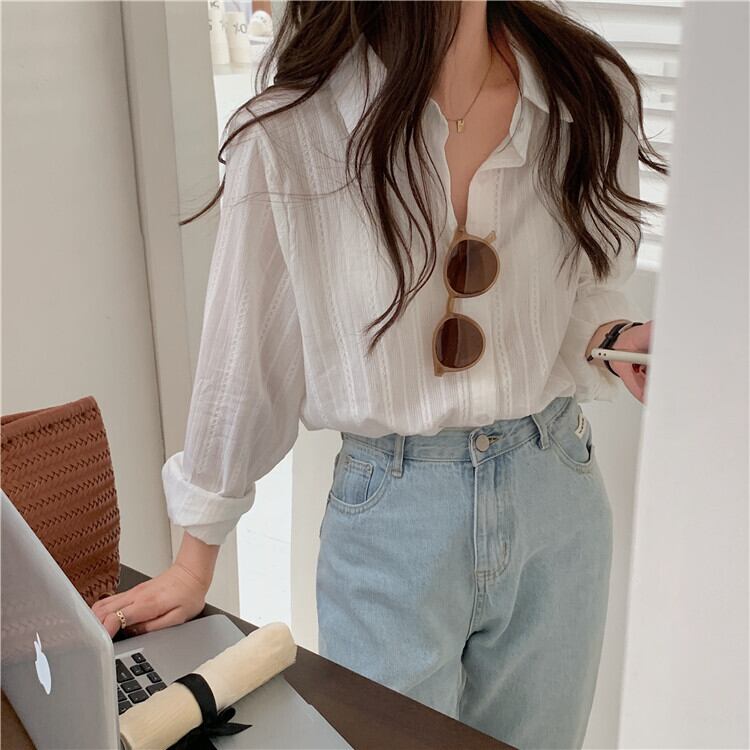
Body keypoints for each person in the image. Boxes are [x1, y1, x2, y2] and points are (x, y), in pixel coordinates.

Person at [93, 2, 666, 747]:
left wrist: (615, 338)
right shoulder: (294, 135)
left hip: (554, 490)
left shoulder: (585, 92)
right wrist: (194, 560)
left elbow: (581, 290)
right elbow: (248, 357)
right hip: (395, 511)